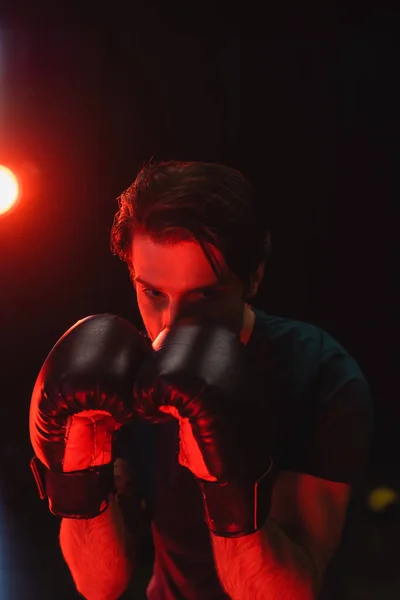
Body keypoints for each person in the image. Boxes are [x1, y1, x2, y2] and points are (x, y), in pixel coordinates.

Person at [29, 161, 374, 600]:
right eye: (153, 293)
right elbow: (99, 585)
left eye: (205, 296)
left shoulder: (321, 375)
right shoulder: (118, 373)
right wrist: (78, 468)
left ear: (253, 277)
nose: (172, 324)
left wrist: (225, 478)